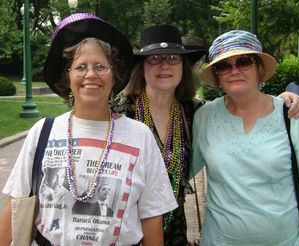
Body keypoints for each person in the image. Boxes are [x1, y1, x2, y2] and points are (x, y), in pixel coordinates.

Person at [111, 24, 299, 245]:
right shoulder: (117, 113)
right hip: (124, 230)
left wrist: (283, 100)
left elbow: (240, 105)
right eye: (154, 58)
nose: (164, 65)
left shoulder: (195, 113)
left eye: (173, 58)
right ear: (142, 67)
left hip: (174, 233)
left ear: (183, 67)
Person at [0, 13, 177, 246]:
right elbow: (17, 202)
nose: (90, 74)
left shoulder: (139, 136)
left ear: (115, 77)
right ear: (68, 77)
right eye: (80, 67)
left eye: (100, 67)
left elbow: (151, 217)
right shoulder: (43, 132)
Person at [192, 30, 299, 245]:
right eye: (224, 66)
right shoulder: (204, 116)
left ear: (260, 69)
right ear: (217, 77)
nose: (234, 70)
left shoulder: (290, 114)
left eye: (244, 61)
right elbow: (180, 169)